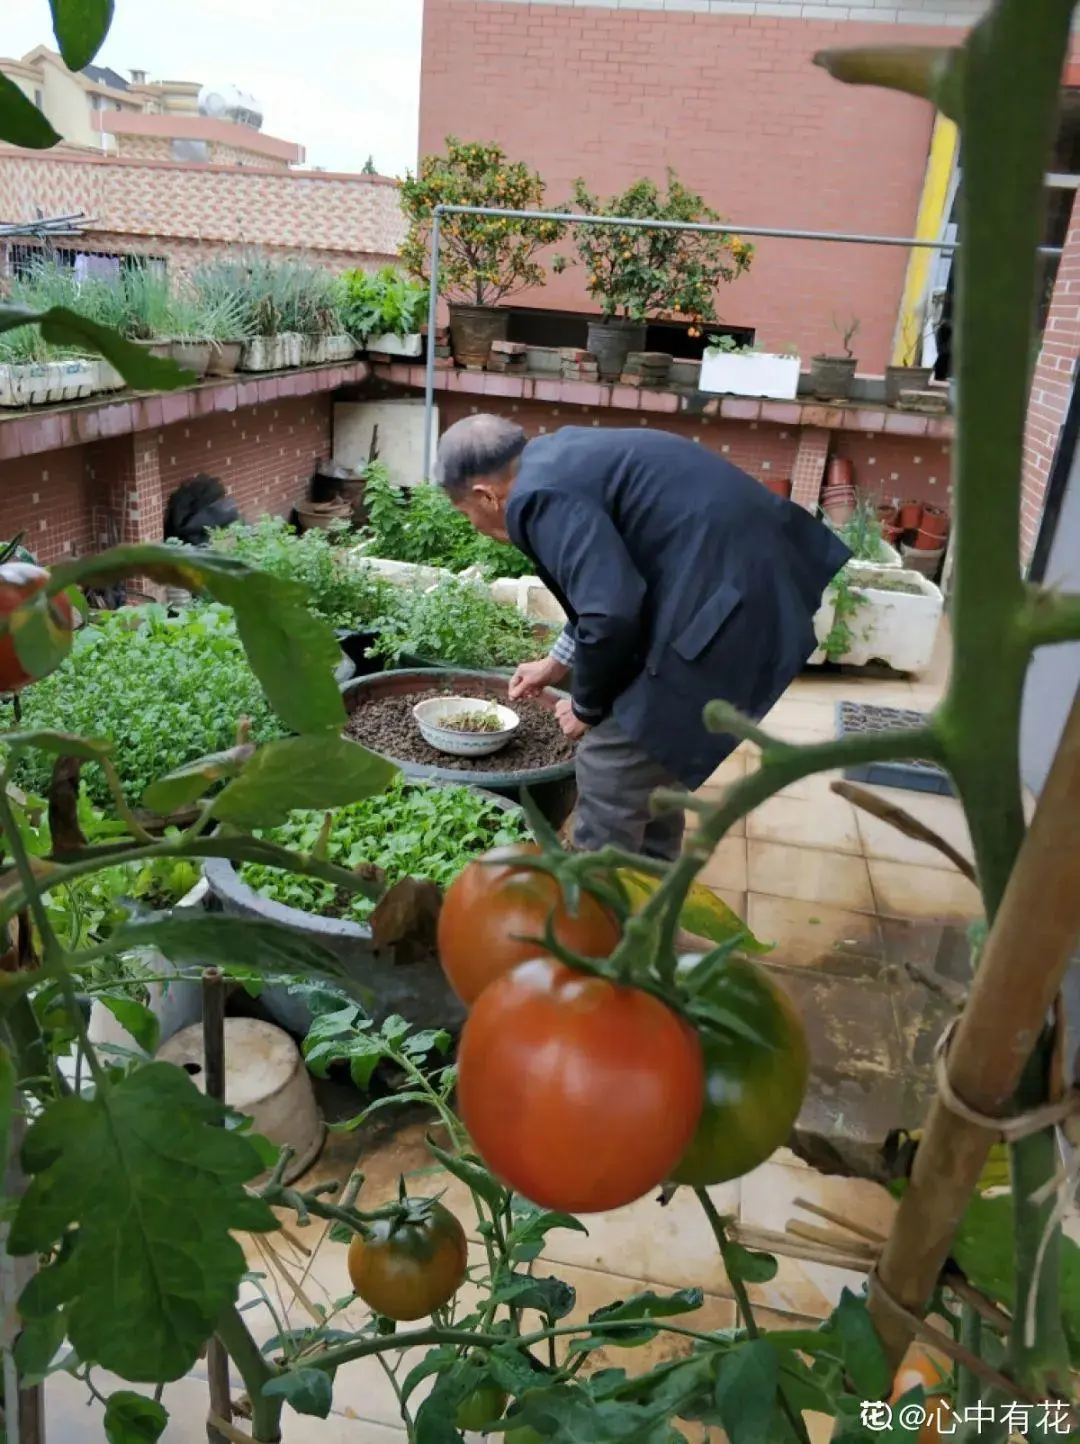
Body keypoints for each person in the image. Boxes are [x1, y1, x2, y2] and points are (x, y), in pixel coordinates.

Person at [434, 416, 851, 861]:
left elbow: (610, 613)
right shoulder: (556, 460)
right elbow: (613, 578)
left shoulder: (537, 497)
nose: (475, 527)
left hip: (726, 605)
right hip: (738, 580)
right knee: (651, 761)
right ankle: (647, 901)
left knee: (611, 760)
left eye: (466, 515)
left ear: (484, 495)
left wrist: (585, 707)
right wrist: (556, 662)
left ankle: (602, 909)